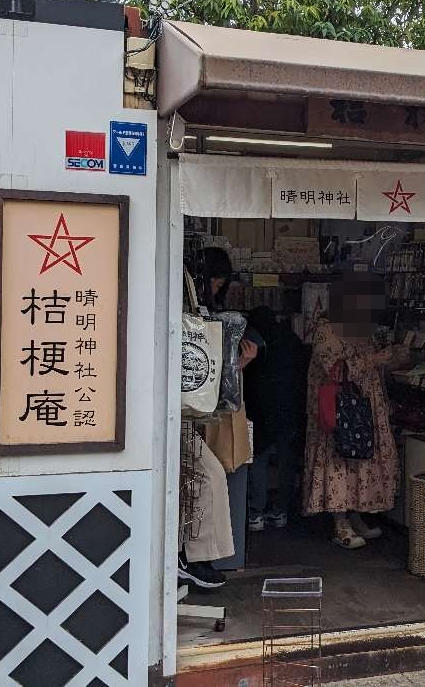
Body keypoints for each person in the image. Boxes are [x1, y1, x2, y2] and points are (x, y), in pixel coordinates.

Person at [302, 272, 404, 549]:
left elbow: (369, 366)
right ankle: (340, 523)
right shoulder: (326, 330)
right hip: (340, 411)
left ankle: (356, 516)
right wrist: (374, 359)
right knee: (339, 461)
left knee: (359, 461)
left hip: (362, 410)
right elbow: (335, 369)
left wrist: (391, 359)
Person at [178, 247, 258, 592]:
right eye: (216, 280)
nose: (216, 286)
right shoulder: (185, 291)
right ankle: (193, 557)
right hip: (179, 409)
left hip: (185, 409)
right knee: (205, 476)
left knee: (198, 477)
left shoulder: (186, 289)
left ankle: (191, 555)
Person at [243, 306, 307, 531]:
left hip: (259, 409)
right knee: (285, 462)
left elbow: (248, 376)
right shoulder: (291, 339)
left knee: (257, 460)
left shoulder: (253, 340)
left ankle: (255, 512)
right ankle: (281, 510)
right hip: (289, 409)